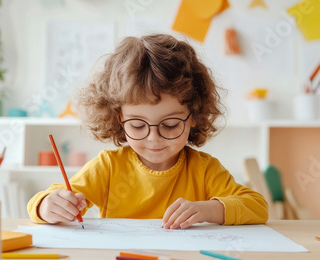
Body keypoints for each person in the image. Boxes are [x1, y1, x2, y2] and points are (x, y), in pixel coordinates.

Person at [27, 34, 268, 229]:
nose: (154, 138)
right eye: (138, 125)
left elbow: (257, 207)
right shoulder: (108, 168)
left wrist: (207, 210)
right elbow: (46, 201)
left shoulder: (204, 170)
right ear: (119, 118)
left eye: (170, 124)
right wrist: (46, 206)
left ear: (194, 115)